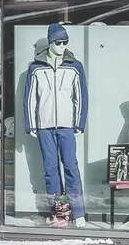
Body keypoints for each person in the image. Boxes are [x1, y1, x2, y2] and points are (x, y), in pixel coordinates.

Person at [21, 24, 88, 228]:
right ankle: (58, 211)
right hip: (44, 126)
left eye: (64, 42)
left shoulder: (74, 66)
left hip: (67, 126)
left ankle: (78, 212)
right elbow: (30, 99)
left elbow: (81, 97)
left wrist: (79, 123)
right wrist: (31, 125)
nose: (61, 46)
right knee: (50, 171)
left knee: (71, 167)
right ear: (50, 43)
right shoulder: (36, 68)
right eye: (58, 42)